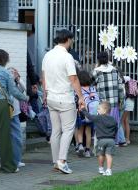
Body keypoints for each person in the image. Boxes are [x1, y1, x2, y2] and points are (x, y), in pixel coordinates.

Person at [42, 29, 85, 174]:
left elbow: (44, 78)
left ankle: (55, 162)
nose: (72, 42)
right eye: (72, 40)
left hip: (51, 98)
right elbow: (73, 79)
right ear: (68, 39)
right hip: (65, 98)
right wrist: (81, 97)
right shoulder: (67, 57)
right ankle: (62, 161)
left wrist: (45, 95)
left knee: (55, 131)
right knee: (68, 130)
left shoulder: (47, 55)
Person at [92, 52, 127, 146]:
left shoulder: (97, 71)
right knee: (113, 123)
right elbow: (120, 86)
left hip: (103, 103)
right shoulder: (114, 70)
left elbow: (92, 83)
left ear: (98, 59)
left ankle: (102, 142)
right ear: (108, 59)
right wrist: (121, 100)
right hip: (114, 102)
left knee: (102, 124)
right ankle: (114, 142)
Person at [81, 101, 117, 176]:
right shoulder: (113, 119)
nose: (97, 110)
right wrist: (113, 136)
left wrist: (83, 110)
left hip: (101, 140)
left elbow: (89, 117)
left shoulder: (98, 118)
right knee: (109, 155)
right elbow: (116, 129)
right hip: (111, 140)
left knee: (101, 154)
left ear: (105, 110)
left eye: (99, 109)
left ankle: (101, 168)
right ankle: (109, 170)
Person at [75, 70, 98, 158]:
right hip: (91, 114)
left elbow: (76, 99)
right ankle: (88, 151)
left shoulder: (78, 89)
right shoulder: (93, 88)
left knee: (80, 129)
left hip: (82, 112)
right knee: (88, 132)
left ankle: (80, 145)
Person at [8, 67, 26, 168]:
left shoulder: (15, 84)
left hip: (15, 113)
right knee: (13, 137)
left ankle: (16, 159)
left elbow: (24, 89)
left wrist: (19, 79)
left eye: (14, 73)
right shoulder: (7, 84)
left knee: (17, 138)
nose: (13, 74)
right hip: (9, 113)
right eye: (11, 73)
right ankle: (13, 160)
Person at [121, 76, 135, 145]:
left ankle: (123, 139)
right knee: (126, 121)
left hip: (126, 102)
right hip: (130, 101)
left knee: (122, 120)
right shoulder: (128, 78)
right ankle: (127, 139)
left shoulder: (120, 80)